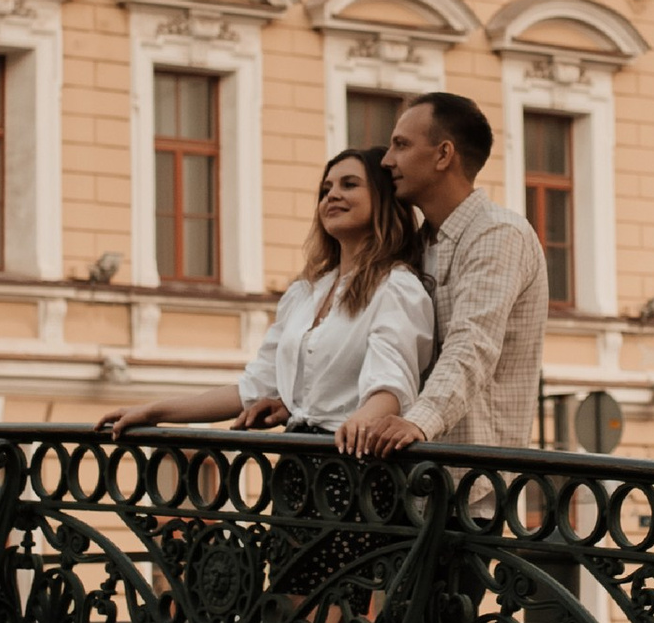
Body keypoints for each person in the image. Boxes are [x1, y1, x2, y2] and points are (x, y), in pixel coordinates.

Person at [99, 146, 432, 439]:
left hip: (354, 465)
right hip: (296, 467)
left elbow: (391, 388)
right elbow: (252, 389)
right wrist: (153, 412)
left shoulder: (396, 287)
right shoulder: (304, 294)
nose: (332, 195)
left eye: (350, 184)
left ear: (383, 200)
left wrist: (358, 423)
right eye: (325, 189)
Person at [336, 92, 547, 455]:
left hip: (473, 486)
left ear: (444, 154)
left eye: (401, 145)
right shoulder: (416, 247)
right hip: (409, 479)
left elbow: (473, 343)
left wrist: (419, 420)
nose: (387, 161)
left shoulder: (498, 233)